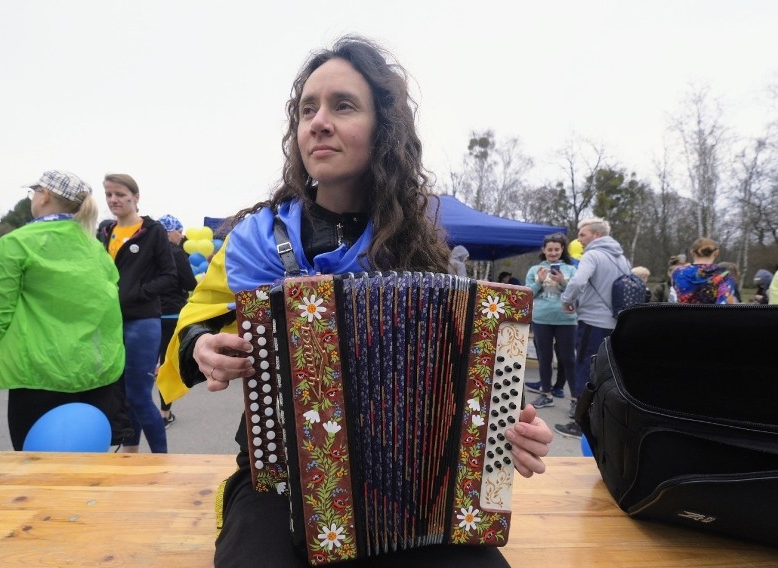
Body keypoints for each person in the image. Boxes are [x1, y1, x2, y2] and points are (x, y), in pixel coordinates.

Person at [157, 36, 552, 567]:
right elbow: (192, 326)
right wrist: (202, 345)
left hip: (409, 487)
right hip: (281, 481)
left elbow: (471, 386)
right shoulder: (254, 238)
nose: (318, 121)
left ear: (382, 130)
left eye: (342, 105)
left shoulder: (419, 248)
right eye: (306, 109)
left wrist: (514, 432)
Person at [0, 171, 127, 450]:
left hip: (40, 376)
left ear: (45, 195)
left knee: (36, 475)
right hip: (98, 376)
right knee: (90, 476)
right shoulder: (95, 248)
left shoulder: (16, 243)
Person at [99, 174, 177, 453]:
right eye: (108, 194)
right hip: (110, 323)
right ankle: (130, 452)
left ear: (136, 197)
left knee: (140, 396)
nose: (113, 200)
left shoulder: (152, 230)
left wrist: (135, 292)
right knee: (122, 395)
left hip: (142, 322)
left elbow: (170, 276)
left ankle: (160, 458)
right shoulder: (105, 232)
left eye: (120, 194)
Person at [555, 218, 631, 439]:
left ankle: (581, 424)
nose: (579, 239)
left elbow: (578, 281)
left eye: (582, 235)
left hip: (592, 321)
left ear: (596, 235)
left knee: (585, 367)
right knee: (606, 369)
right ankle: (602, 421)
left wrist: (567, 300)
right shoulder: (622, 259)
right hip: (616, 322)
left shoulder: (593, 254)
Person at [523, 233, 577, 409]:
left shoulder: (571, 270)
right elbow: (527, 294)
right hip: (541, 319)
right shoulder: (534, 270)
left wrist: (562, 282)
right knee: (544, 358)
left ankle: (576, 400)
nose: (553, 253)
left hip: (566, 319)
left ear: (562, 250)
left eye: (557, 249)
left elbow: (577, 293)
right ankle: (546, 394)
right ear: (543, 250)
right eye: (550, 249)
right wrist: (539, 281)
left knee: (568, 359)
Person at [156, 214, 197, 427]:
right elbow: (190, 282)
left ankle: (141, 413)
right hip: (172, 314)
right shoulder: (177, 254)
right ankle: (164, 414)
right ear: (169, 232)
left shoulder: (149, 252)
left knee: (143, 367)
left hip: (148, 314)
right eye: (178, 232)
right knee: (166, 365)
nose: (181, 236)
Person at [671, 237, 737, 304]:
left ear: (692, 252)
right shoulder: (724, 275)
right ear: (716, 253)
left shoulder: (678, 273)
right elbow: (725, 303)